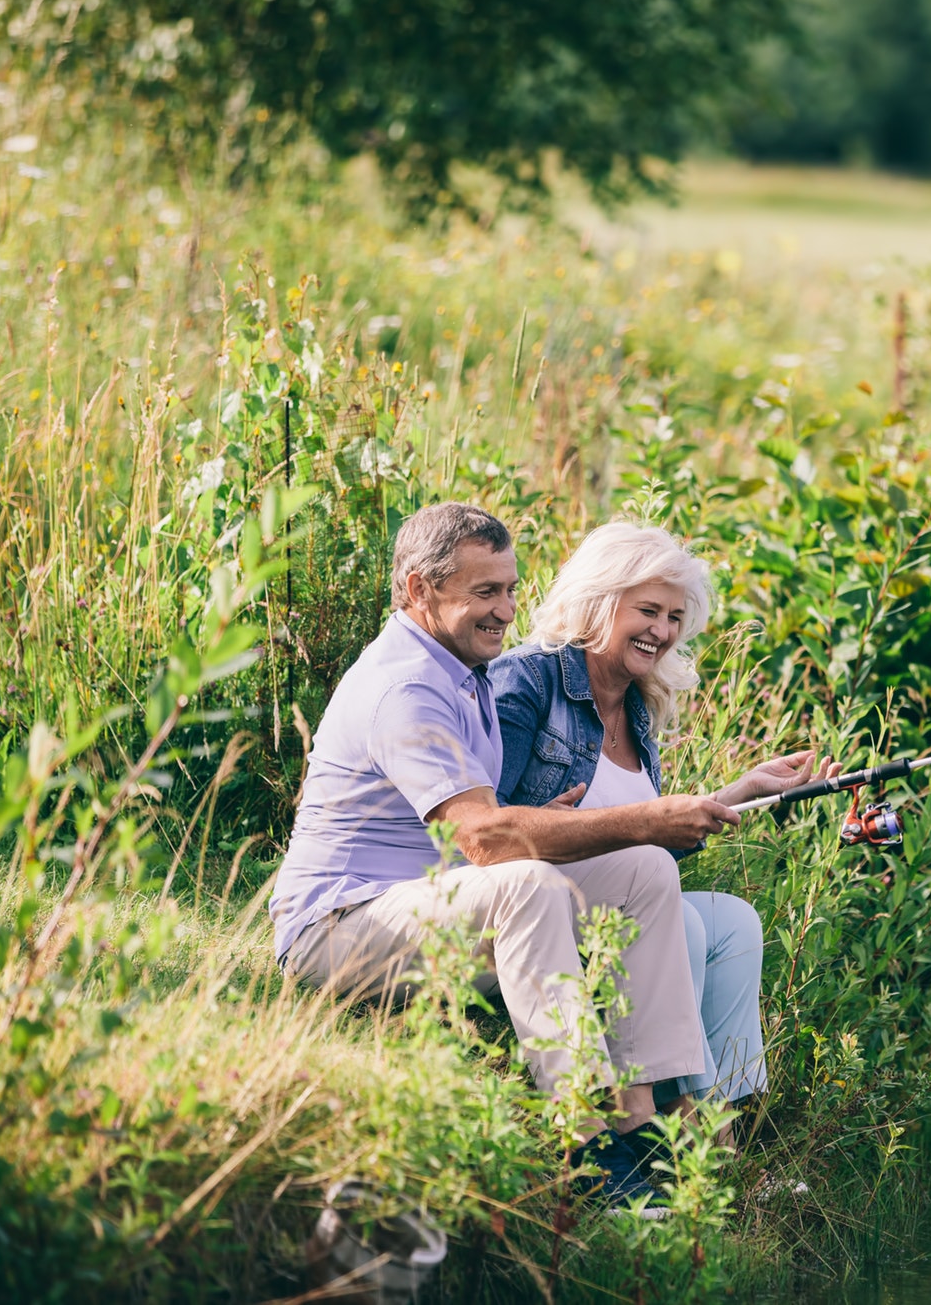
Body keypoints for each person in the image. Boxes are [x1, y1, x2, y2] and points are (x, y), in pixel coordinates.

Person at [268, 502, 742, 1214]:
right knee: (528, 882)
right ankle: (587, 1147)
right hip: (338, 928)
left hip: (428, 901)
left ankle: (640, 1118)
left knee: (647, 868)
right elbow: (486, 838)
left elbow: (487, 823)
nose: (505, 610)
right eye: (484, 592)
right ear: (418, 589)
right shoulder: (407, 686)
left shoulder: (465, 670)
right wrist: (642, 817)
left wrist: (557, 829)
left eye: (511, 589)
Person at [493, 521, 838, 1126]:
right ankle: (664, 1125)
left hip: (621, 906)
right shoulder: (529, 678)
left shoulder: (634, 704)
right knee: (686, 922)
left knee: (733, 921)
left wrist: (745, 790)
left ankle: (720, 1115)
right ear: (600, 601)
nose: (662, 631)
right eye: (648, 610)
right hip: (536, 905)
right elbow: (478, 828)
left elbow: (649, 850)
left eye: (674, 617)